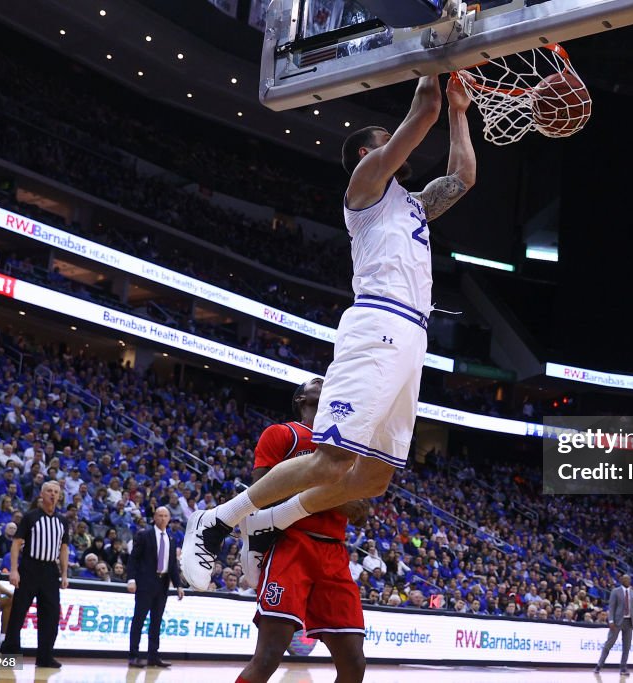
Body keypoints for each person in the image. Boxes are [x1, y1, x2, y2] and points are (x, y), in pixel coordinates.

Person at [182, 72, 477, 590]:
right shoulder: (364, 188)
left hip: (413, 335)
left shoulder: (414, 205)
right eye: (387, 137)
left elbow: (463, 176)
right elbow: (422, 110)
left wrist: (459, 109)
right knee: (333, 458)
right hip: (378, 321)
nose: (398, 138)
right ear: (366, 153)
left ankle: (271, 519)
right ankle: (217, 521)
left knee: (374, 478)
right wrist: (440, 63)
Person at [236, 378, 370, 683]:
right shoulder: (283, 434)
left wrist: (351, 505)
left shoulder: (346, 448)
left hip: (334, 553)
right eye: (314, 382)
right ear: (301, 399)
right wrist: (337, 502)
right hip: (291, 545)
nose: (323, 381)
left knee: (354, 663)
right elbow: (261, 491)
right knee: (269, 655)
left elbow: (361, 511)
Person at [0, 480, 69, 668]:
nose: (53, 494)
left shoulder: (63, 521)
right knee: (19, 612)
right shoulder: (30, 517)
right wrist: (14, 570)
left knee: (51, 616)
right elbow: (16, 543)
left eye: (56, 491)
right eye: (49, 491)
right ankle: (10, 653)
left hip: (50, 571)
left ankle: (45, 657)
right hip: (29, 567)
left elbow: (63, 548)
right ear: (42, 495)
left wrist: (65, 574)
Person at [126, 506, 183, 668]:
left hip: (162, 584)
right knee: (139, 620)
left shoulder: (171, 540)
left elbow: (172, 565)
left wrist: (178, 585)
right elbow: (133, 559)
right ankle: (133, 655)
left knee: (157, 622)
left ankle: (153, 656)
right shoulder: (144, 535)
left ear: (169, 518)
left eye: (166, 516)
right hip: (145, 583)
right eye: (160, 515)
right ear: (155, 517)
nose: (163, 518)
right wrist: (131, 579)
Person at [595, 573, 633, 674]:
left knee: (627, 646)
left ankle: (623, 668)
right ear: (621, 581)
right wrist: (611, 620)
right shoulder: (615, 591)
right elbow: (611, 607)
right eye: (625, 579)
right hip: (617, 622)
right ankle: (599, 665)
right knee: (609, 644)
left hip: (629, 622)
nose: (627, 581)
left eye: (628, 579)